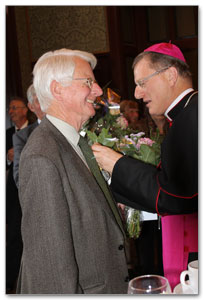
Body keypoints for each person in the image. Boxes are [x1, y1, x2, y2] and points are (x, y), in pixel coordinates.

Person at [16, 49, 129, 294]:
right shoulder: (42, 157)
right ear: (57, 90)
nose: (99, 91)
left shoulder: (73, 142)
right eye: (89, 81)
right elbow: (50, 268)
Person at [92, 42, 198, 289]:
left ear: (171, 75)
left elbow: (177, 195)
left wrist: (117, 164)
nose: (137, 94)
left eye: (142, 82)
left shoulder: (191, 117)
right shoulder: (186, 114)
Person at [6, 97, 28, 293]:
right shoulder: (6, 135)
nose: (11, 111)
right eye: (9, 108)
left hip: (31, 189)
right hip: (12, 194)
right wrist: (7, 157)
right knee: (12, 233)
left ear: (25, 110)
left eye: (14, 108)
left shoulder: (36, 131)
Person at [13, 84, 45, 187]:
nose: (45, 104)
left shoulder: (67, 127)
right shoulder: (22, 137)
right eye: (39, 100)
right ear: (31, 107)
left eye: (46, 98)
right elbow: (20, 178)